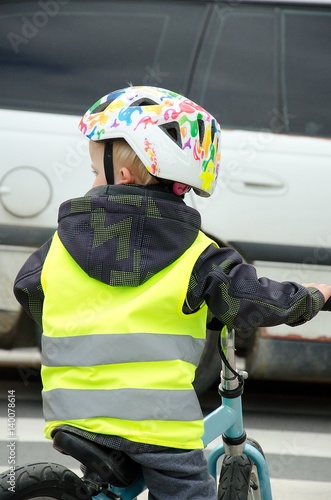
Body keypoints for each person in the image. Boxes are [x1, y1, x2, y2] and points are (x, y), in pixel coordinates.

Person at [13, 85, 331, 499]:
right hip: (155, 425)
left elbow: (28, 289)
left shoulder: (59, 243)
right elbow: (253, 301)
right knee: (186, 489)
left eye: (94, 169)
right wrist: (313, 296)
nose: (91, 179)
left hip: (73, 414)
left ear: (122, 174)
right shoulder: (198, 254)